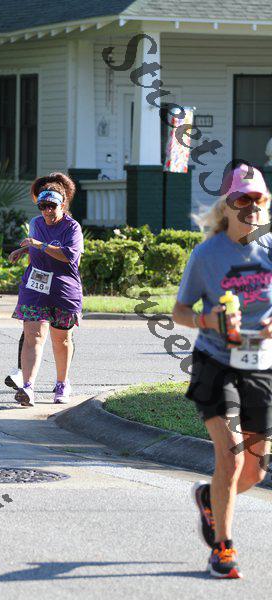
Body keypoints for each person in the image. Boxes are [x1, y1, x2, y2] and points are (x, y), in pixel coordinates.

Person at [172, 163, 272, 579]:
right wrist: (207, 320)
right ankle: (223, 548)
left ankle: (209, 499)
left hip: (261, 365)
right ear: (226, 206)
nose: (250, 206)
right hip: (215, 363)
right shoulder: (206, 254)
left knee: (255, 470)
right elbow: (179, 311)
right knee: (230, 458)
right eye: (241, 199)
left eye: (257, 198)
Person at [9, 172, 83, 406]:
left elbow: (69, 255)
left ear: (62, 204)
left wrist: (39, 245)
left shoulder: (72, 227)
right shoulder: (36, 223)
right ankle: (28, 387)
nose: (47, 211)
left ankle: (62, 383)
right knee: (33, 336)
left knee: (61, 340)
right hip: (36, 287)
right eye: (43, 206)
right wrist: (24, 250)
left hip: (63, 289)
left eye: (52, 206)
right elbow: (37, 247)